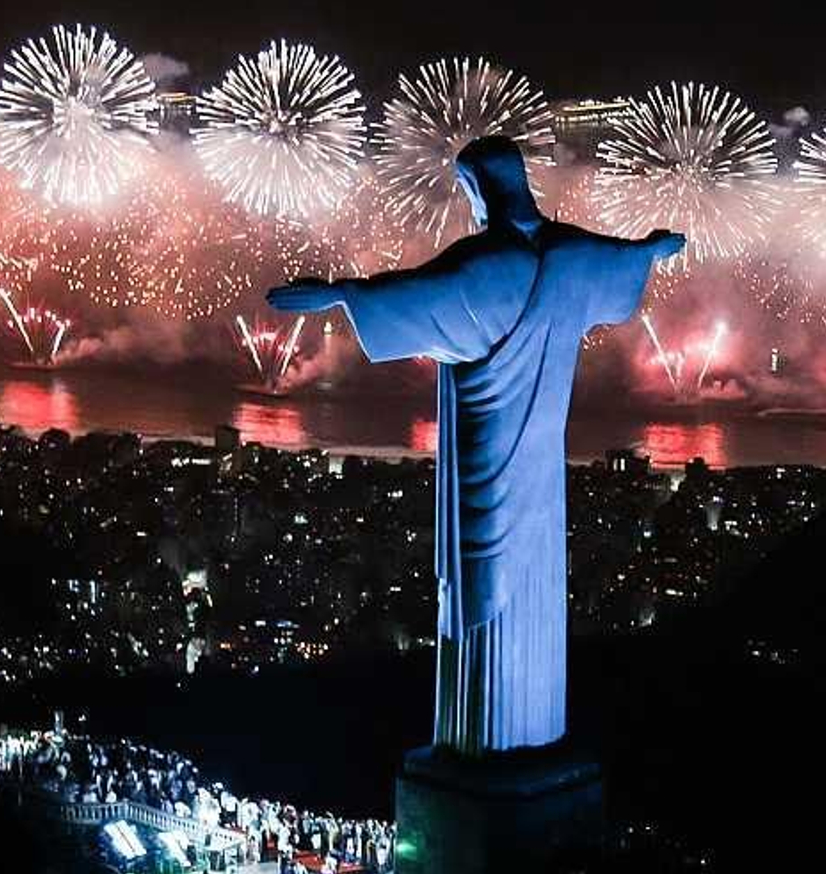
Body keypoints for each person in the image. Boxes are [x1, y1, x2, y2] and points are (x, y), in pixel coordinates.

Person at [267, 135, 683, 754]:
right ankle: (536, 731)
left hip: (487, 452)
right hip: (544, 469)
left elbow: (417, 298)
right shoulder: (572, 255)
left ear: (478, 187)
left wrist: (341, 293)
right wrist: (652, 249)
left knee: (481, 586)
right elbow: (624, 261)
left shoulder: (491, 267)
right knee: (534, 584)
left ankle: (487, 741)